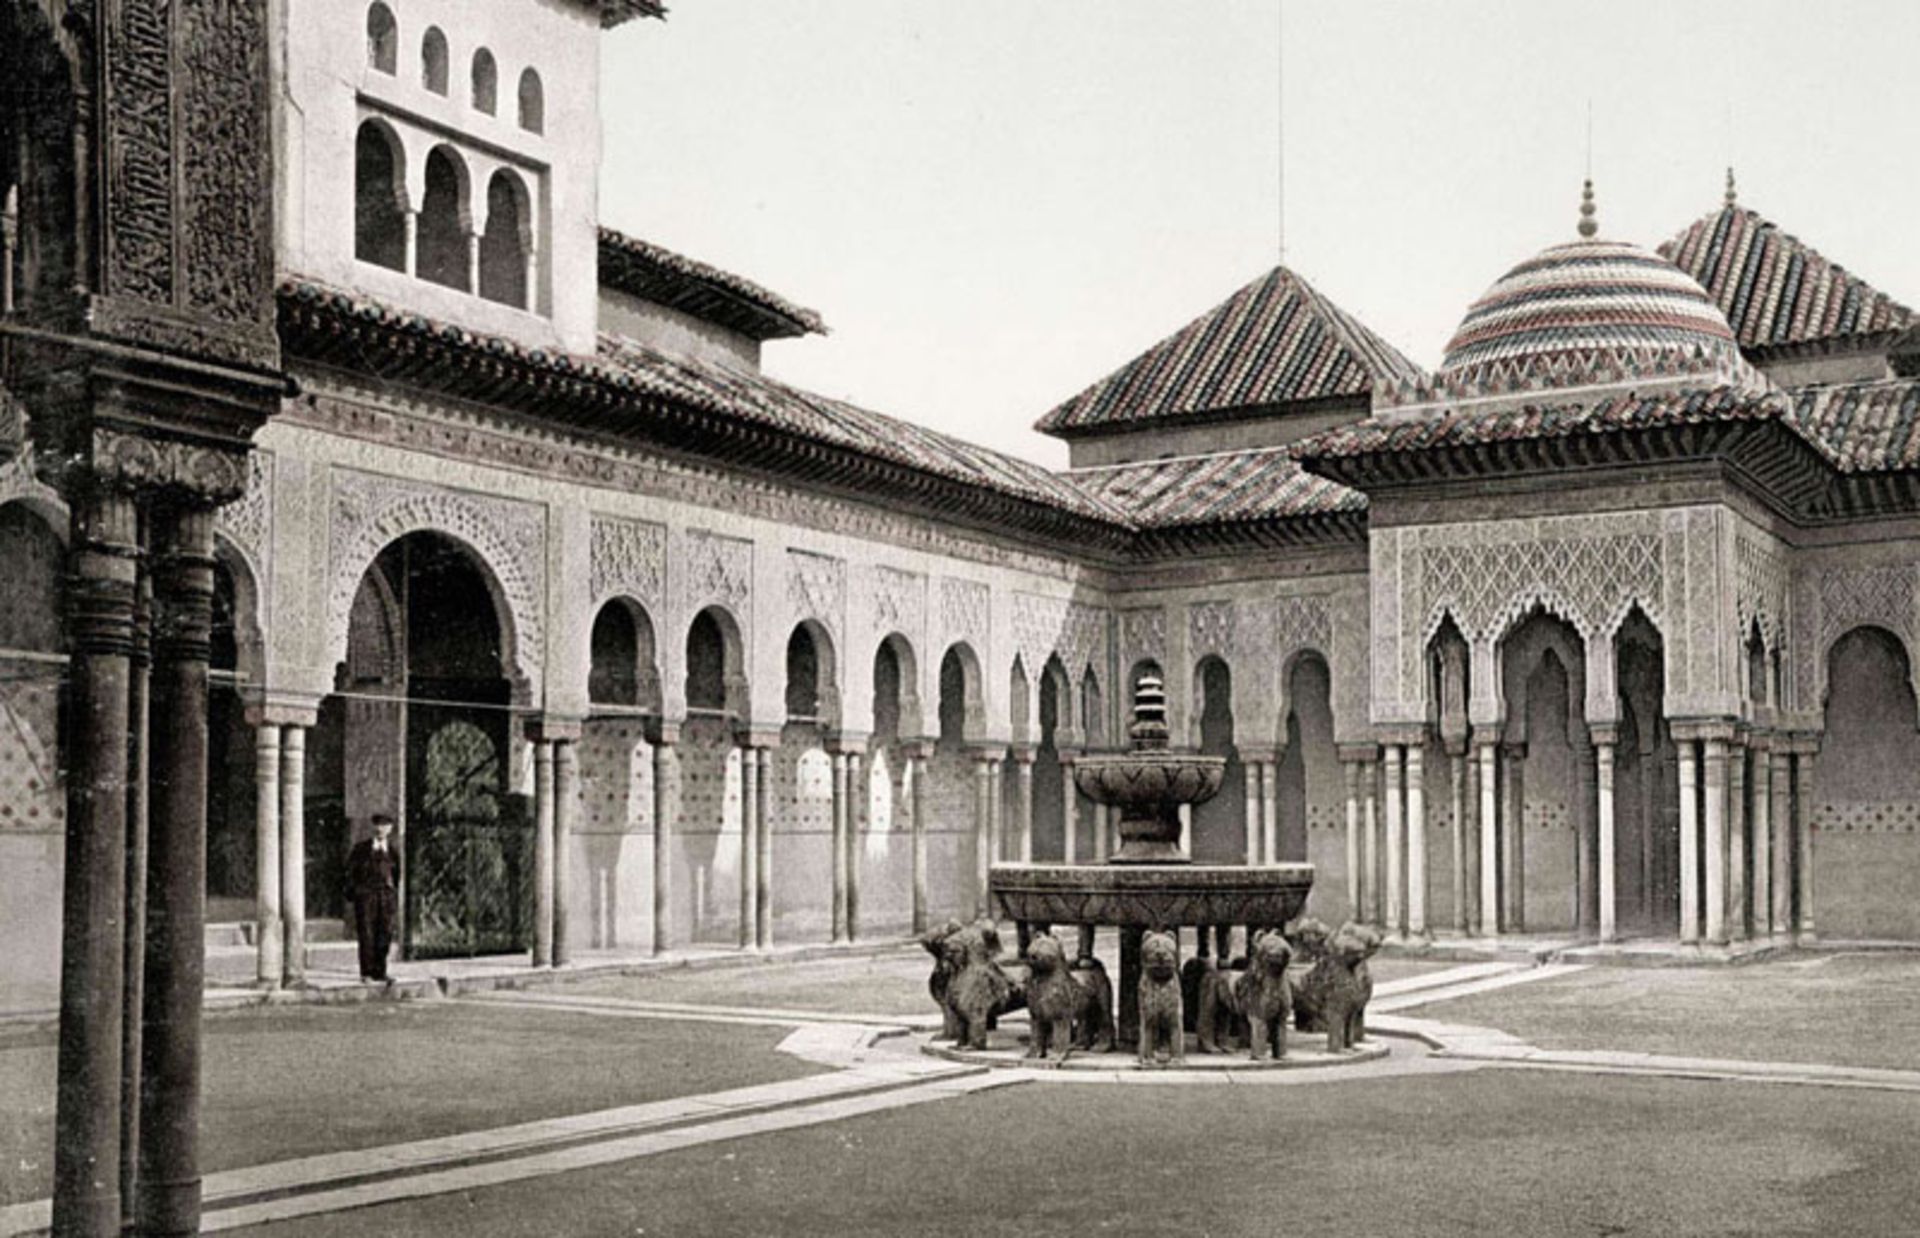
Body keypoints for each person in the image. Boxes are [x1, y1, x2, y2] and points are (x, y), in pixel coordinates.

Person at [346, 814, 401, 983]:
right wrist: (357, 894)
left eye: (385, 825)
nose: (380, 829)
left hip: (385, 897)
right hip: (366, 896)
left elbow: (396, 875)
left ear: (390, 829)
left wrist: (391, 895)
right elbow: (350, 872)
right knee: (367, 933)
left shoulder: (393, 852)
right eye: (378, 825)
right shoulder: (361, 849)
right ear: (373, 827)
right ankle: (367, 972)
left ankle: (380, 971)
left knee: (384, 933)